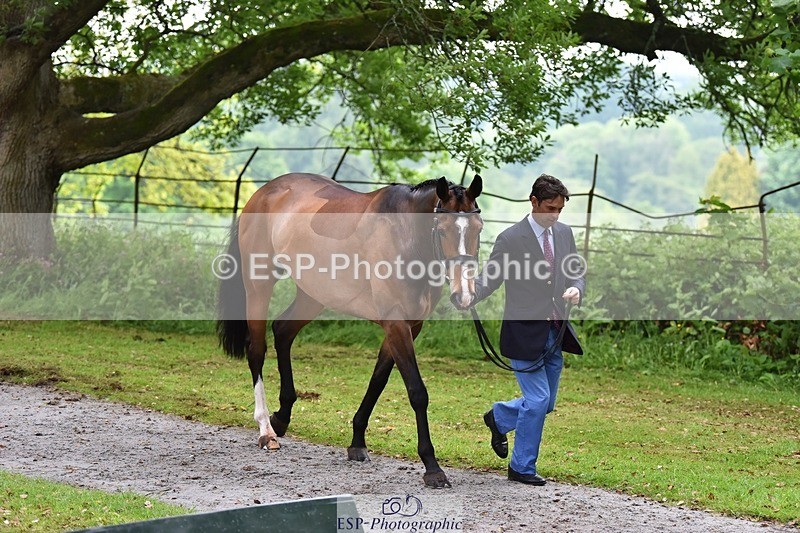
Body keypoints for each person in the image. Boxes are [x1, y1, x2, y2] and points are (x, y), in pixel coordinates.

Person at [469, 173, 585, 485]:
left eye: (559, 210)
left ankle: (499, 417)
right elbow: (490, 278)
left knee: (546, 403)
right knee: (536, 401)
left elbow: (576, 271)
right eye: (550, 208)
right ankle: (521, 467)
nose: (555, 215)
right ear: (533, 201)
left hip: (555, 333)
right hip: (522, 334)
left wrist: (576, 288)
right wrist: (470, 294)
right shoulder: (510, 239)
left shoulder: (564, 233)